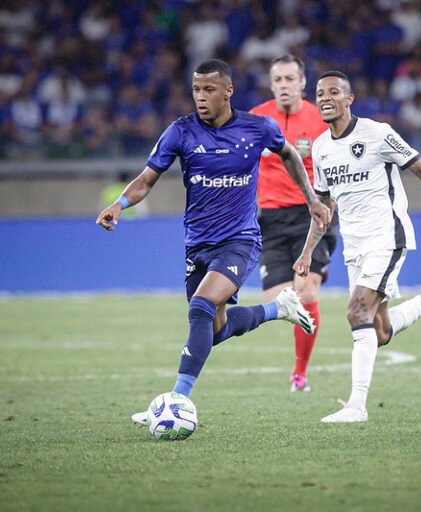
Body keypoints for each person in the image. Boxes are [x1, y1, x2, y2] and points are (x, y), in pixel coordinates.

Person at [95, 59, 331, 426]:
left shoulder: (257, 128)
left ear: (228, 91)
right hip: (197, 244)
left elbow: (290, 155)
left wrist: (312, 199)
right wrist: (120, 203)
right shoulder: (180, 131)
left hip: (241, 240)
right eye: (195, 90)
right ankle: (277, 310)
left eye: (208, 90)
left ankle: (175, 400)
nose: (200, 97)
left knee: (201, 307)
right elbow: (146, 179)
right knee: (215, 328)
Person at [293, 71, 421, 423]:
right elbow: (322, 208)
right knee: (379, 331)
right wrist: (308, 251)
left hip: (387, 237)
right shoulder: (321, 148)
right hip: (354, 246)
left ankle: (356, 406)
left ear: (349, 98)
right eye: (320, 93)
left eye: (334, 92)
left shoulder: (378, 133)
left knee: (357, 313)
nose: (325, 98)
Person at [249, 54, 339, 392]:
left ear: (303, 82)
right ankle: (319, 270)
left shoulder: (321, 121)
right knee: (282, 299)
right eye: (279, 80)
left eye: (291, 79)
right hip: (269, 219)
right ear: (271, 85)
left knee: (305, 291)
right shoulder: (257, 119)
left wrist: (331, 205)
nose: (284, 85)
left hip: (311, 215)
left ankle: (299, 374)